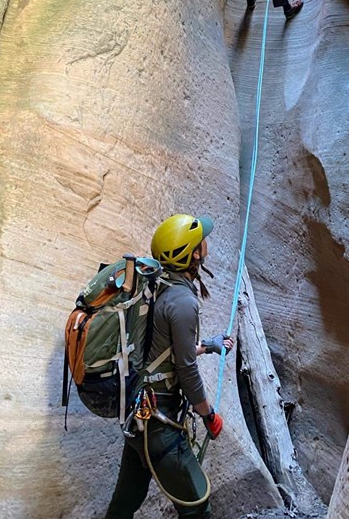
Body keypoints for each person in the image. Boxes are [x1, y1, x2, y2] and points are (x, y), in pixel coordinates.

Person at [106, 214, 233, 519]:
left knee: (127, 500)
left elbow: (166, 350)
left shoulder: (156, 285)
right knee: (196, 508)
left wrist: (208, 346)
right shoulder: (183, 302)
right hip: (158, 420)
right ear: (193, 254)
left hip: (139, 416)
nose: (206, 242)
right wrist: (208, 415)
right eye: (201, 240)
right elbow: (187, 372)